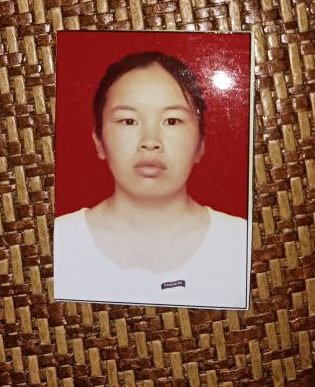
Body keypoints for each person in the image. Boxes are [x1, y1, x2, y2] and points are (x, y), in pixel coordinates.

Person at [53, 51, 249, 308]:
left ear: (200, 143)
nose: (150, 142)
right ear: (99, 141)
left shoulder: (242, 242)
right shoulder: (59, 240)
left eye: (172, 120)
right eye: (128, 121)